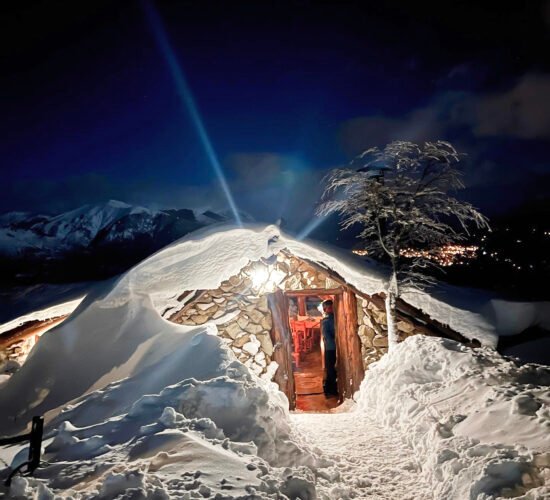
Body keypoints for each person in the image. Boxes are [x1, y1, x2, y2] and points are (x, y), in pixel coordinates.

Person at [321, 299, 337, 396]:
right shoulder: (326, 321)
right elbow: (326, 335)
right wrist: (336, 343)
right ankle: (329, 390)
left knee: (334, 369)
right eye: (329, 308)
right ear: (325, 309)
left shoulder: (335, 318)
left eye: (332, 307)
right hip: (330, 348)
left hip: (334, 347)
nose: (331, 309)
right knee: (331, 369)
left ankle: (332, 389)